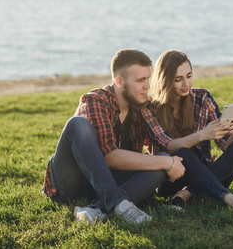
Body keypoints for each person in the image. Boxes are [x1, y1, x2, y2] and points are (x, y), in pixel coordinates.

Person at [42, 49, 185, 225]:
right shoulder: (95, 101)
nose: (147, 86)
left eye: (148, 78)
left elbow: (162, 145)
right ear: (119, 81)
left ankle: (98, 209)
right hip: (72, 183)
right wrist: (165, 162)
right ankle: (118, 202)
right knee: (77, 124)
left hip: (105, 186)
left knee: (162, 160)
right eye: (140, 80)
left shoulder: (142, 106)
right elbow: (110, 157)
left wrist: (170, 159)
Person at [144, 50, 233, 218]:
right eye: (178, 79)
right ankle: (231, 199)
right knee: (181, 152)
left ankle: (185, 195)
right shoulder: (150, 107)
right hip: (172, 179)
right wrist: (202, 135)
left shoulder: (202, 97)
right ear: (165, 80)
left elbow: (226, 144)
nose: (185, 84)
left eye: (189, 76)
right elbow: (167, 146)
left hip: (208, 173)